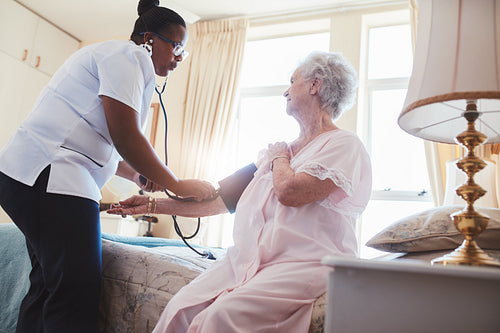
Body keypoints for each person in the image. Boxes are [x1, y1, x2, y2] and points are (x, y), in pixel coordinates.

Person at [108, 51, 372, 332]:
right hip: (249, 261)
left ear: (315, 85)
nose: (286, 91)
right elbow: (219, 201)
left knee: (220, 318)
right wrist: (151, 205)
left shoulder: (344, 145)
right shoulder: (272, 152)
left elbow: (291, 192)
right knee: (179, 309)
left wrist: (279, 159)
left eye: (292, 81)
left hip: (304, 265)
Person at [0, 0, 216, 332]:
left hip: (31, 173)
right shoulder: (128, 57)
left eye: (182, 53)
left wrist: (138, 175)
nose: (178, 58)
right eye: (176, 47)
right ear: (148, 39)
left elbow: (97, 142)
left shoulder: (121, 62)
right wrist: (179, 183)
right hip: (52, 176)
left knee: (47, 285)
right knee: (75, 293)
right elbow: (125, 135)